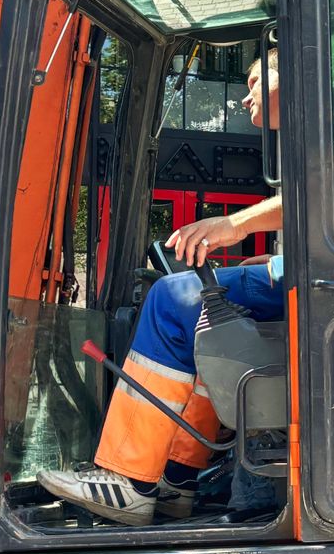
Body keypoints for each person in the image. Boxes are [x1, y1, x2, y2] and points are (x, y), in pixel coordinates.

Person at [40, 55, 285, 528]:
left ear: (289, 74)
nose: (245, 96)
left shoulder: (329, 132)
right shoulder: (312, 138)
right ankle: (175, 478)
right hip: (313, 275)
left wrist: (235, 225)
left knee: (173, 298)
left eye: (254, 80)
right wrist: (274, 261)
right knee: (205, 326)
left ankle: (131, 478)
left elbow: (329, 199)